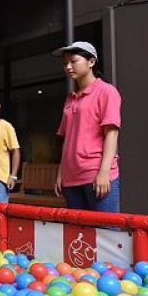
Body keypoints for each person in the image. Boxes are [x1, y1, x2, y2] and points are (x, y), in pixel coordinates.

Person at [52, 42, 121, 212]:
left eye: (73, 61)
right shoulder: (70, 98)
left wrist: (104, 173)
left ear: (91, 62)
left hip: (96, 176)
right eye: (65, 63)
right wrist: (61, 174)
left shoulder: (106, 91)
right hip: (70, 179)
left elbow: (111, 134)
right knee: (79, 235)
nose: (68, 67)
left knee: (107, 235)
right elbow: (67, 139)